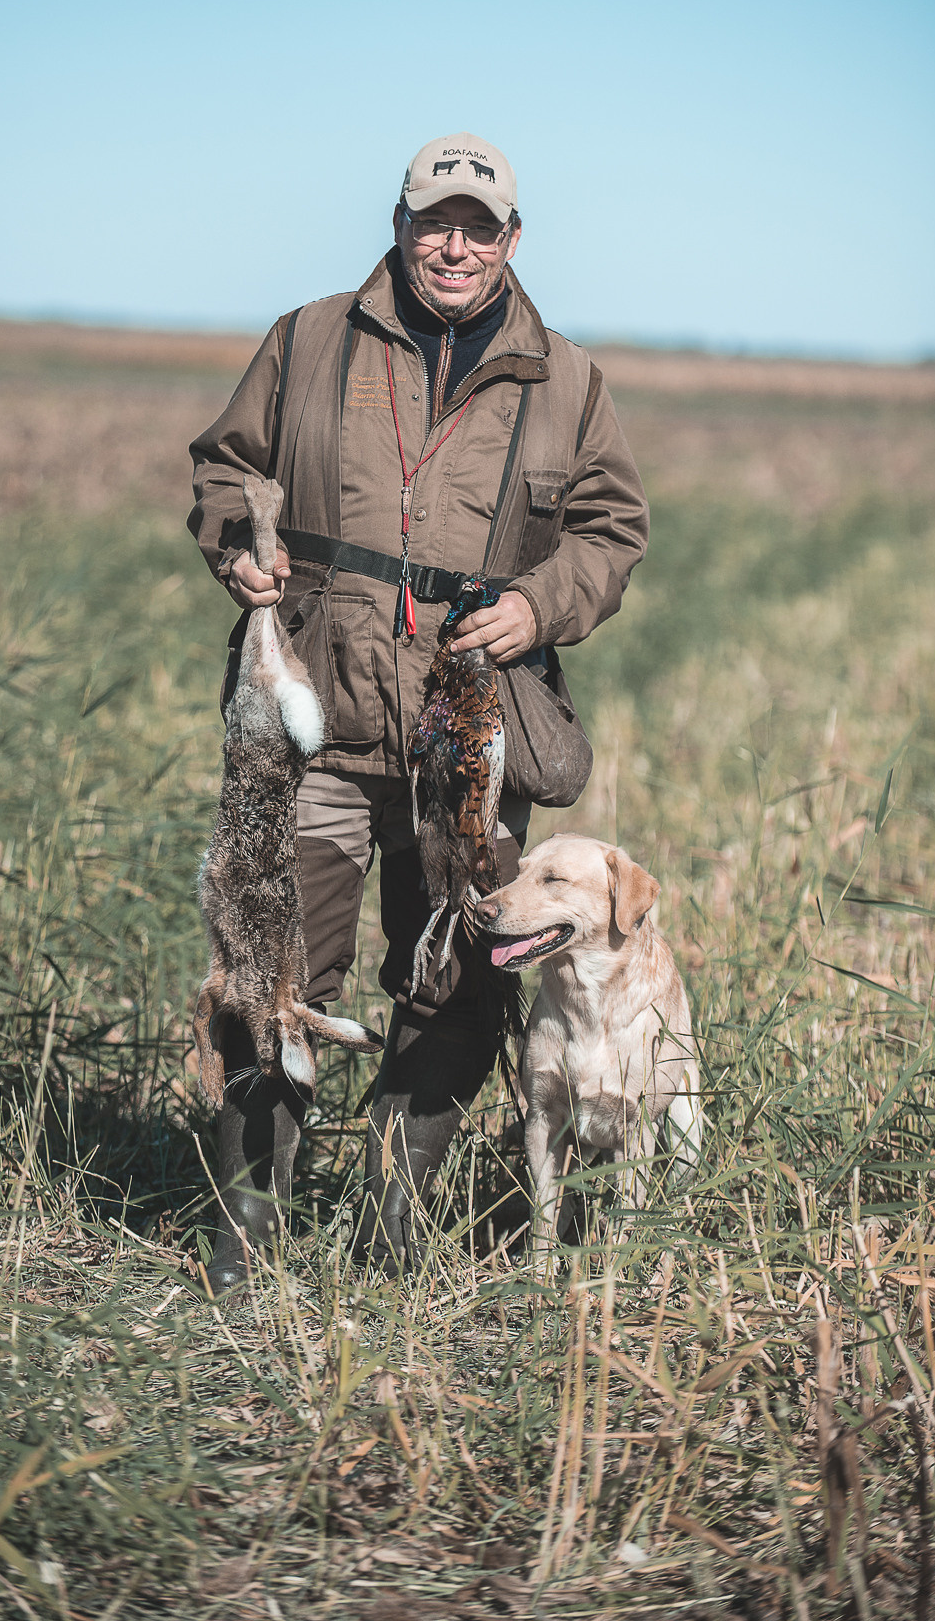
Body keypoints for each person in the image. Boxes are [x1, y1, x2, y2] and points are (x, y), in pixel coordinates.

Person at [188, 132, 649, 1292]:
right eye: (434, 222)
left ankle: (395, 1231)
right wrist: (242, 550)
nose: (453, 245)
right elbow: (224, 469)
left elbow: (610, 532)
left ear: (511, 240)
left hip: (467, 732)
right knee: (270, 971)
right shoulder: (307, 339)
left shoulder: (568, 381)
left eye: (477, 227)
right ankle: (246, 1247)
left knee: (462, 973)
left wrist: (540, 606)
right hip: (317, 722)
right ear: (399, 226)